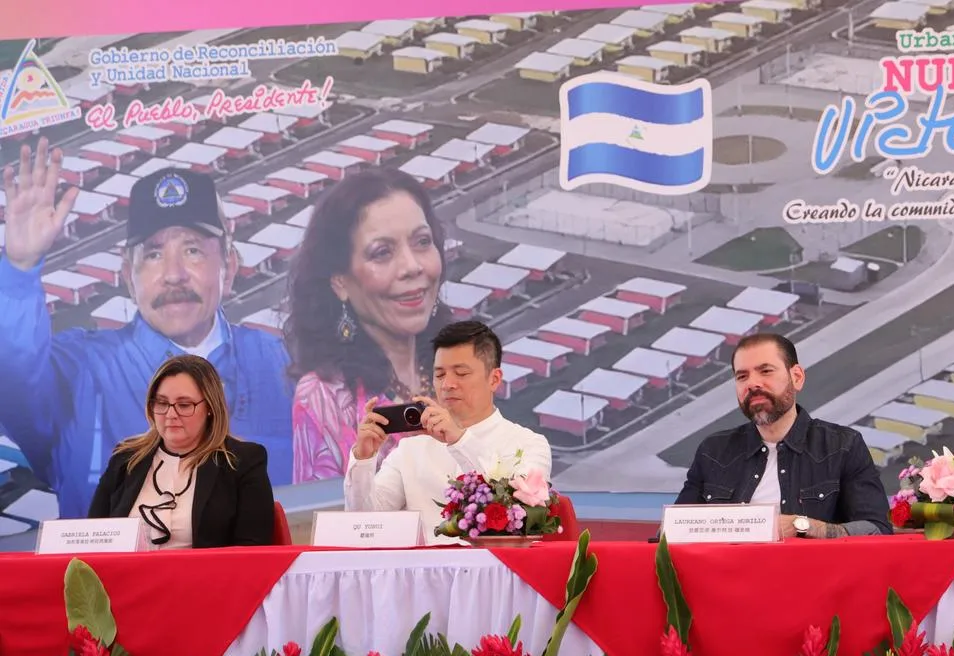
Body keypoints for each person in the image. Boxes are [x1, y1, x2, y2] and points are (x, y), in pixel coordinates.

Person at [0, 138, 294, 518]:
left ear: (230, 266)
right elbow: (14, 379)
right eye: (153, 254)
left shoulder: (284, 368)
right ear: (128, 276)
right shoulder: (79, 373)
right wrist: (20, 272)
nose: (173, 274)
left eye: (192, 250)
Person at [284, 167, 452, 483]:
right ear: (340, 282)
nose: (412, 266)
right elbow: (324, 513)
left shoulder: (461, 367)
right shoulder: (324, 396)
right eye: (382, 252)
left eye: (422, 241)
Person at [344, 321, 551, 535]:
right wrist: (363, 460)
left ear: (494, 379)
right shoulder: (409, 450)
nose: (447, 384)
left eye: (461, 373)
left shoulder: (529, 444)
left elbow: (518, 516)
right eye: (440, 375)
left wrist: (459, 440)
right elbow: (363, 525)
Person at [675, 332, 891, 537]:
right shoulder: (713, 451)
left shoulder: (843, 446)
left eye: (766, 371)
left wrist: (803, 526)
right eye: (742, 376)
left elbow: (877, 529)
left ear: (796, 377)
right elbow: (671, 532)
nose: (752, 383)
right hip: (728, 564)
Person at [87, 355, 276, 548]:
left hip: (208, 569)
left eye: (184, 405)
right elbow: (92, 541)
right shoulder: (126, 458)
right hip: (128, 568)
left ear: (210, 407)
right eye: (162, 403)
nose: (170, 414)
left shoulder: (243, 461)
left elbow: (253, 549)